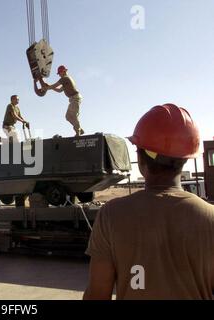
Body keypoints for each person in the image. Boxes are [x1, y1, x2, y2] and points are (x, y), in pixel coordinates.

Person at [83, 104, 214, 300]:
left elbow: (97, 294)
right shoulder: (210, 218)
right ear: (185, 159)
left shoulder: (112, 215)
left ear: (140, 157)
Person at [41, 65, 84, 136]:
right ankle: (79, 129)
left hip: (75, 98)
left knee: (73, 115)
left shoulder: (65, 78)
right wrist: (49, 87)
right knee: (68, 117)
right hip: (73, 99)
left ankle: (78, 132)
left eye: (59, 73)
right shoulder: (65, 80)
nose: (59, 75)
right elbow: (59, 90)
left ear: (63, 71)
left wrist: (46, 88)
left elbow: (54, 85)